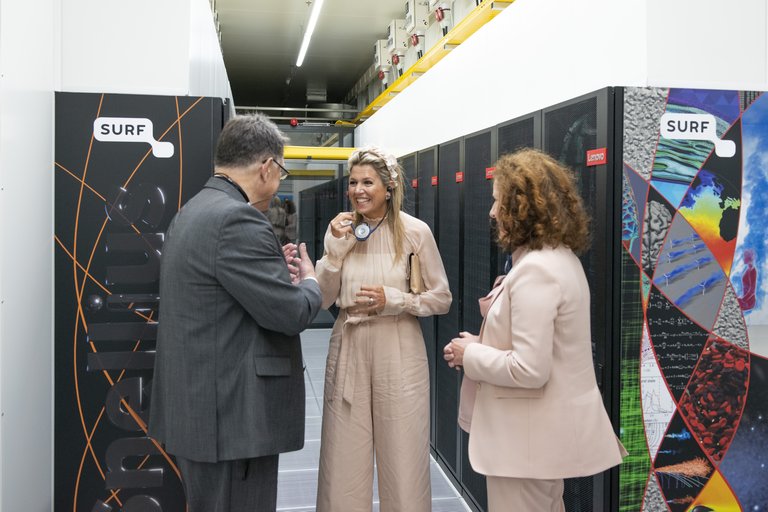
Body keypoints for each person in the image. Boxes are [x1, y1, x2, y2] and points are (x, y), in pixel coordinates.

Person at [148, 114, 323, 512]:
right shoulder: (238, 219)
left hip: (201, 410)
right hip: (232, 420)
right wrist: (310, 281)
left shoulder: (194, 210)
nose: (278, 181)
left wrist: (268, 271)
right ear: (266, 168)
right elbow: (292, 314)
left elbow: (220, 294)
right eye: (280, 171)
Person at [443, 148, 626, 511]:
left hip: (525, 443)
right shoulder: (560, 258)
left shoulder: (536, 270)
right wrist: (484, 342)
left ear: (523, 207)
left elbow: (530, 369)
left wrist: (472, 354)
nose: (492, 212)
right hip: (537, 440)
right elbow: (544, 348)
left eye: (498, 203)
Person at [315, 146, 451, 511]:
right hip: (349, 346)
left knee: (403, 460)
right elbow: (324, 297)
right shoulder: (341, 230)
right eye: (354, 182)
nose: (358, 190)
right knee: (342, 462)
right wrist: (334, 254)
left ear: (389, 187)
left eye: (368, 182)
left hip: (399, 349)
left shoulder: (414, 233)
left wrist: (397, 300)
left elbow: (442, 298)